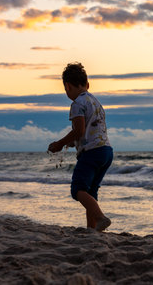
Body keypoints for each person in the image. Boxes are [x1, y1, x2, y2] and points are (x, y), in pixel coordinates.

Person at [48, 62, 113, 232]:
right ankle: (93, 228)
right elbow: (89, 130)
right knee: (91, 192)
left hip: (91, 153)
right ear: (87, 84)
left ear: (67, 87)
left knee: (78, 189)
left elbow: (79, 130)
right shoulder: (95, 102)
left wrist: (59, 143)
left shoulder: (77, 103)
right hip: (106, 151)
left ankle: (100, 218)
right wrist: (72, 142)